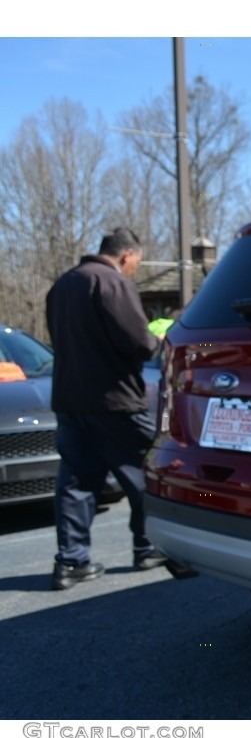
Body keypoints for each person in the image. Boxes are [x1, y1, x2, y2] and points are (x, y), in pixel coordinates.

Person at [45, 227, 168, 590]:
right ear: (127, 255)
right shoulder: (112, 284)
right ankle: (148, 547)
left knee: (77, 483)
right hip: (114, 401)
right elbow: (139, 343)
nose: (134, 270)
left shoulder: (62, 286)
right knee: (145, 473)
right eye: (136, 263)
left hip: (69, 400)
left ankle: (71, 561)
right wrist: (158, 338)